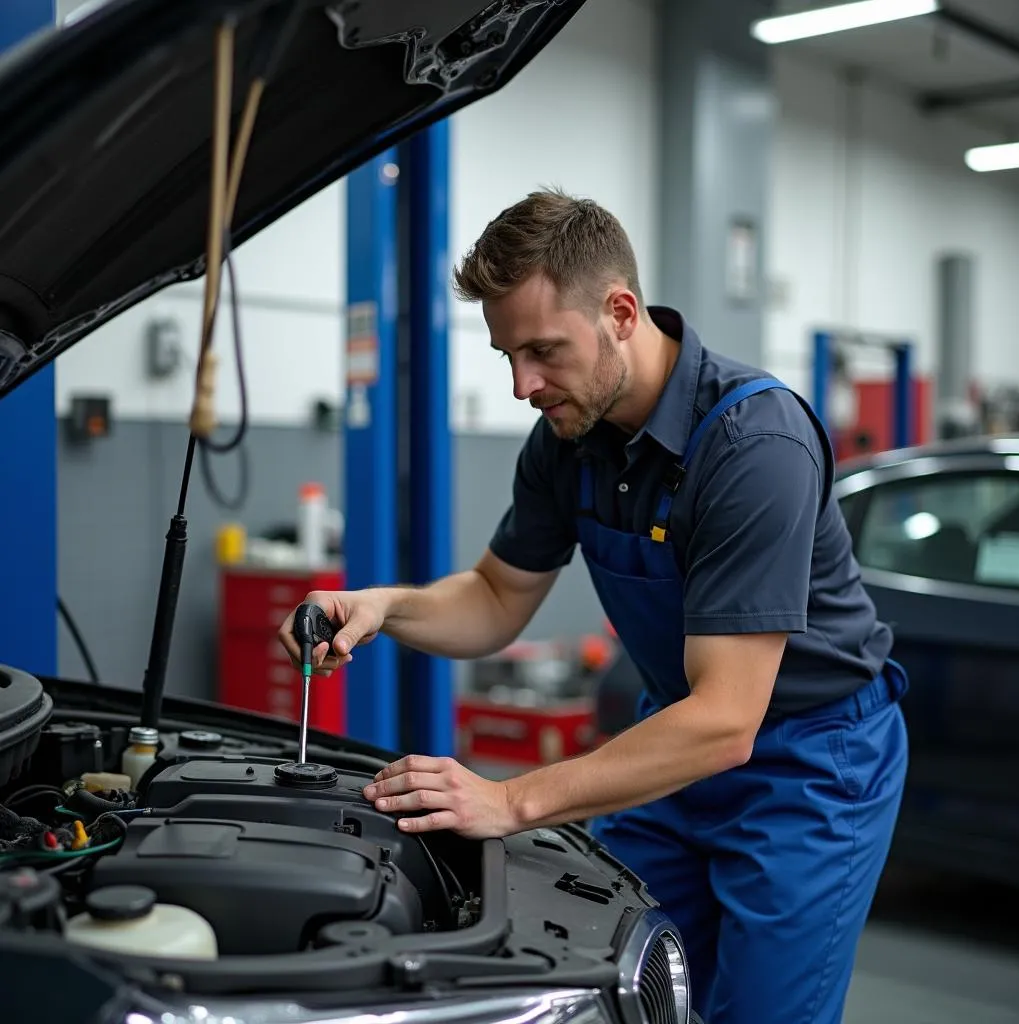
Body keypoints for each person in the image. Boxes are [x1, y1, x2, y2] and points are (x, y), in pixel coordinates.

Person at [278, 188, 908, 1024]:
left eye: (542, 350)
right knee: (607, 979)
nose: (522, 385)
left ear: (620, 311)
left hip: (810, 766)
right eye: (508, 355)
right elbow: (498, 597)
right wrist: (383, 606)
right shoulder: (567, 441)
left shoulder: (755, 447)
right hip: (674, 740)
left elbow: (728, 719)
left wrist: (510, 800)